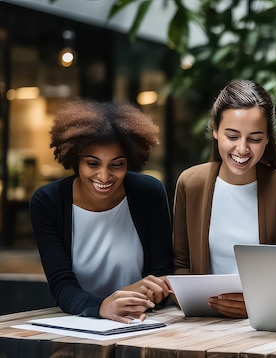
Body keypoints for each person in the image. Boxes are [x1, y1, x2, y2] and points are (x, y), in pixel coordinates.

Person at [172, 79, 276, 318]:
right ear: (215, 130)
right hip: (203, 322)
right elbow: (181, 265)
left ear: (268, 139)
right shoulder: (190, 183)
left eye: (255, 138)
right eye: (232, 136)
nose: (242, 149)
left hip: (269, 324)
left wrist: (260, 304)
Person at [30, 99, 173, 324]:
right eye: (93, 163)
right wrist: (104, 306)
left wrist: (141, 296)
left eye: (117, 164)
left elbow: (162, 275)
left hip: (141, 322)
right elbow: (62, 286)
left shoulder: (149, 193)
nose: (104, 176)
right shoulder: (48, 202)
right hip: (76, 326)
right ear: (75, 158)